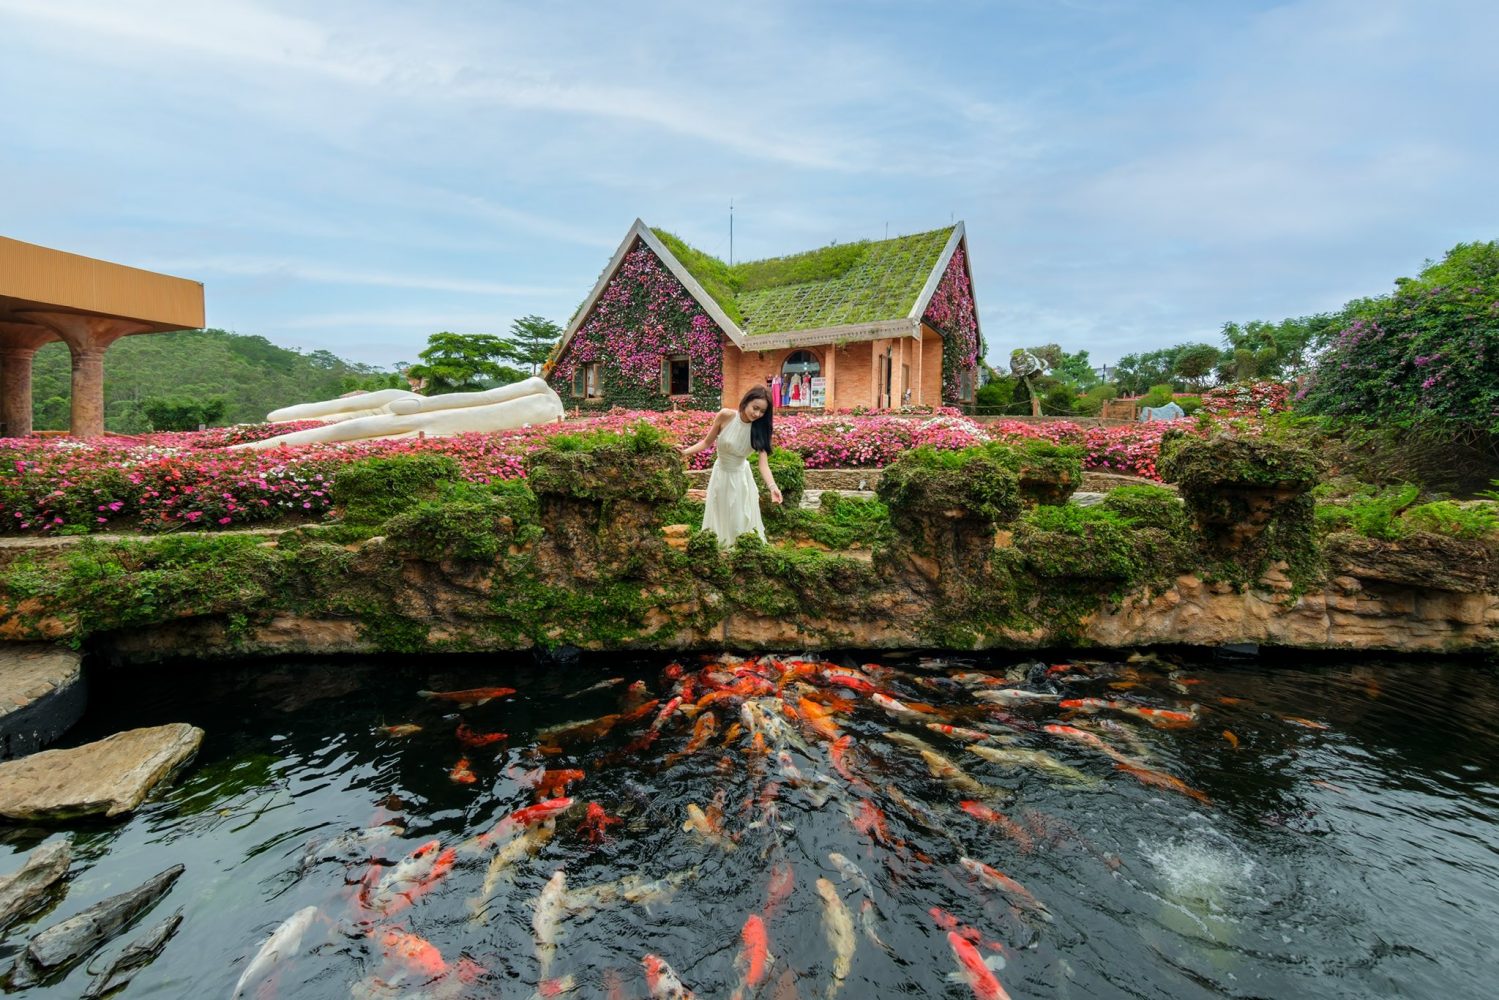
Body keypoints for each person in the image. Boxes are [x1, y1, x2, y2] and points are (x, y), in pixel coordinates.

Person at [679, 386, 782, 546]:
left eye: (762, 412)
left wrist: (773, 487)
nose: (757, 414)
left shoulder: (761, 429)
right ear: (746, 402)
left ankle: (740, 554)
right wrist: (684, 453)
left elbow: (763, 465)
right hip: (720, 474)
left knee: (739, 519)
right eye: (755, 408)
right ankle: (720, 553)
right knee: (719, 515)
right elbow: (706, 442)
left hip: (741, 478)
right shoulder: (726, 416)